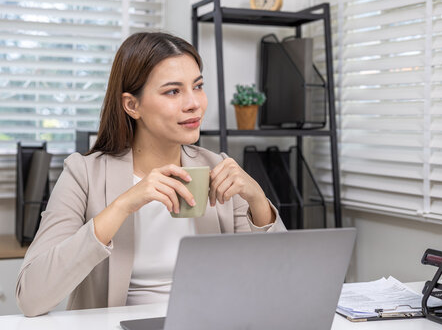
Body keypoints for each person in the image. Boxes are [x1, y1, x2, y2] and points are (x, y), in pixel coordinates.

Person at [15, 32, 286, 317]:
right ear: (132, 105)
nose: (194, 103)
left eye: (198, 86)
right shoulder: (83, 174)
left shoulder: (218, 168)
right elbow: (31, 298)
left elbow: (279, 285)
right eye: (173, 91)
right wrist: (123, 205)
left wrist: (258, 200)